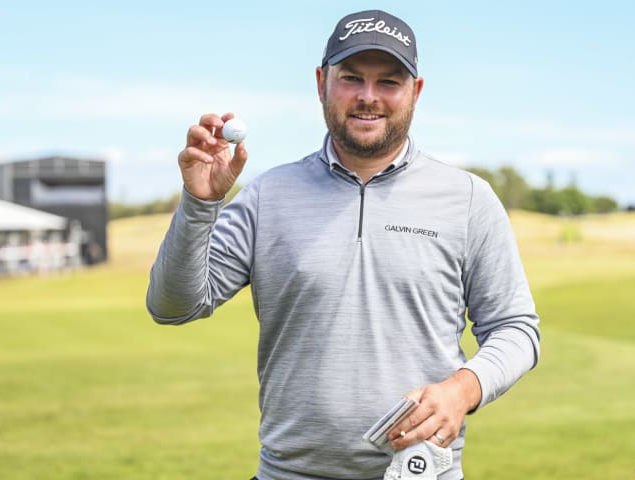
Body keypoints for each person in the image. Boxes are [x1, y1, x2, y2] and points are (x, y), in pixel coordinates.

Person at [146, 9, 540, 480]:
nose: (368, 97)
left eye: (389, 82)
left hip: (418, 473)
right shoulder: (268, 196)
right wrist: (198, 203)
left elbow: (517, 329)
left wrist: (463, 389)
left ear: (414, 92)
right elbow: (172, 306)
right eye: (351, 77)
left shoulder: (467, 197)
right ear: (321, 83)